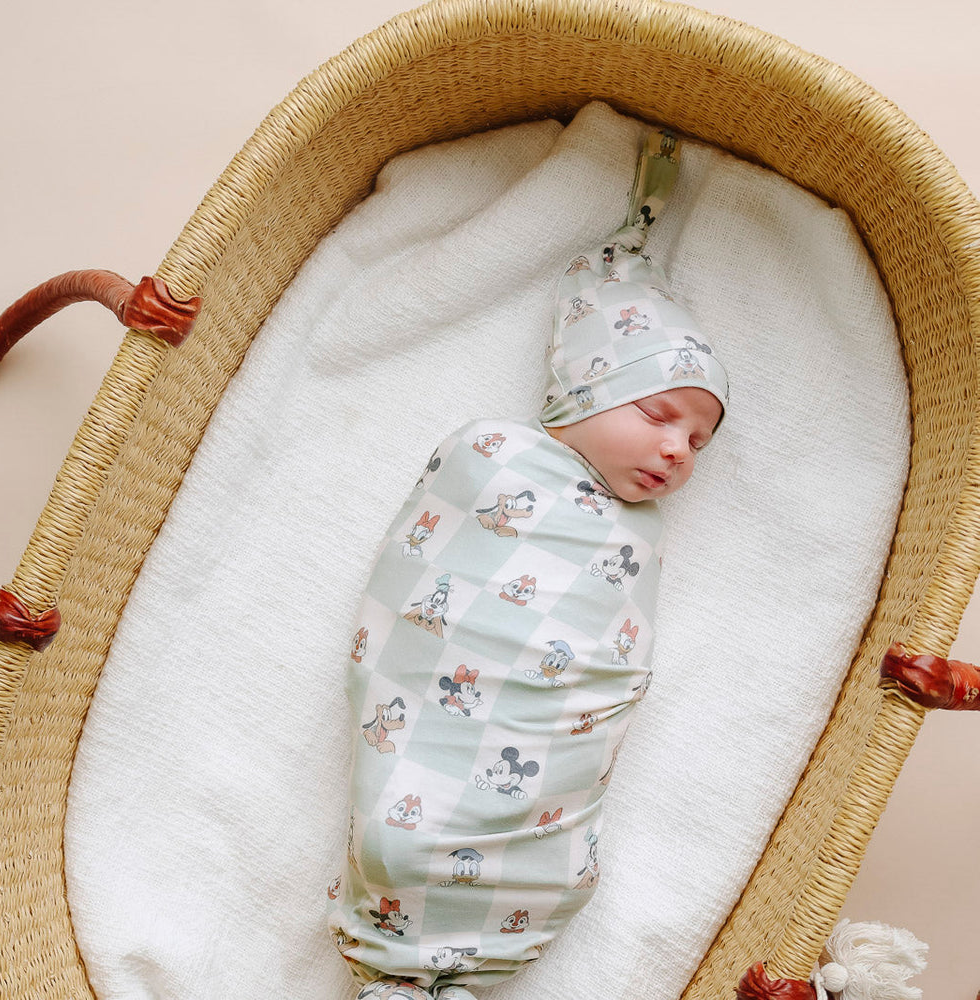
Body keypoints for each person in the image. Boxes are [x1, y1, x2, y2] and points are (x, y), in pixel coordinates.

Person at [328, 133, 730, 1000]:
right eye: (661, 414)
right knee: (406, 838)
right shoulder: (492, 455)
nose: (679, 450)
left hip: (550, 765)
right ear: (584, 390)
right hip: (441, 726)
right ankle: (399, 952)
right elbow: (410, 600)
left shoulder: (641, 529)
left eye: (700, 441)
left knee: (554, 868)